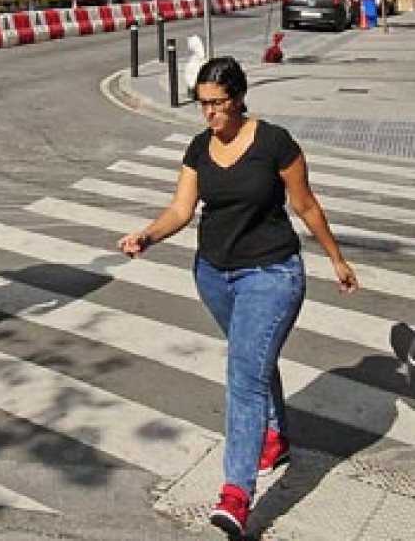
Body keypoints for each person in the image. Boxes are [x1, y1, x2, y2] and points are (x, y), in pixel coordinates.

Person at [118, 55, 358, 541]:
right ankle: (274, 435)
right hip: (213, 275)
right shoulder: (198, 147)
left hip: (271, 274)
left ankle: (236, 494)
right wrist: (148, 236)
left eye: (217, 104)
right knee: (254, 361)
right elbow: (181, 209)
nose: (209, 114)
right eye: (202, 104)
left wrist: (336, 258)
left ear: (239, 98)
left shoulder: (274, 143)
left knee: (243, 374)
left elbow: (305, 204)